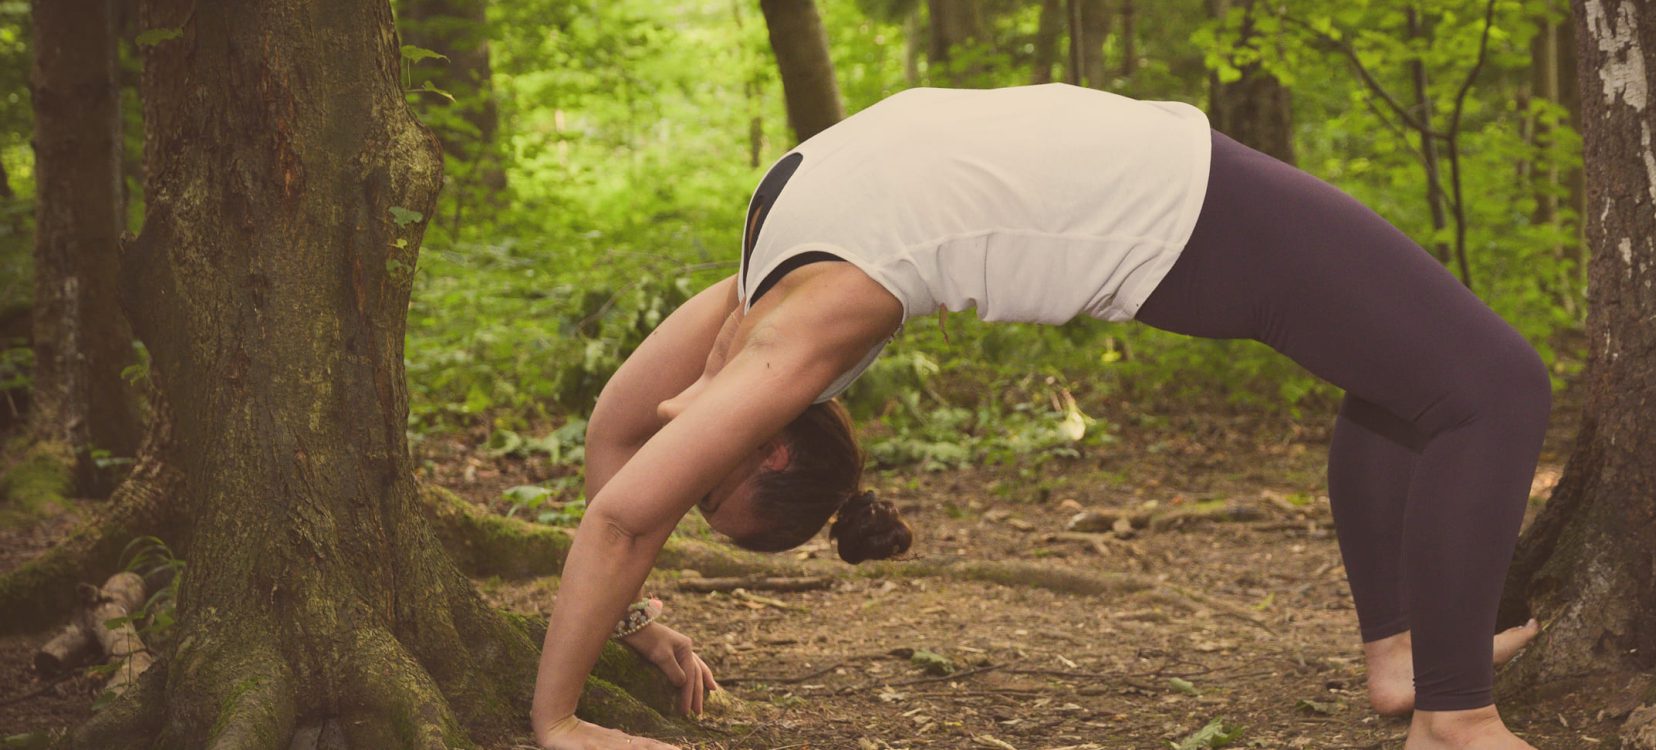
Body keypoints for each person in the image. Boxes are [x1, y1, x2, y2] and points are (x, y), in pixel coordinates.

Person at [530, 82, 1552, 750]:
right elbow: (624, 469)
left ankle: (1412, 664)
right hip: (1176, 215)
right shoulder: (776, 298)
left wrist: (556, 718)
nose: (681, 466)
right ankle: (1453, 718)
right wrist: (637, 622)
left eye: (704, 489)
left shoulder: (780, 321)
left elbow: (620, 492)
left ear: (772, 440)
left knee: (1437, 386)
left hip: (1173, 194)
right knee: (1491, 388)